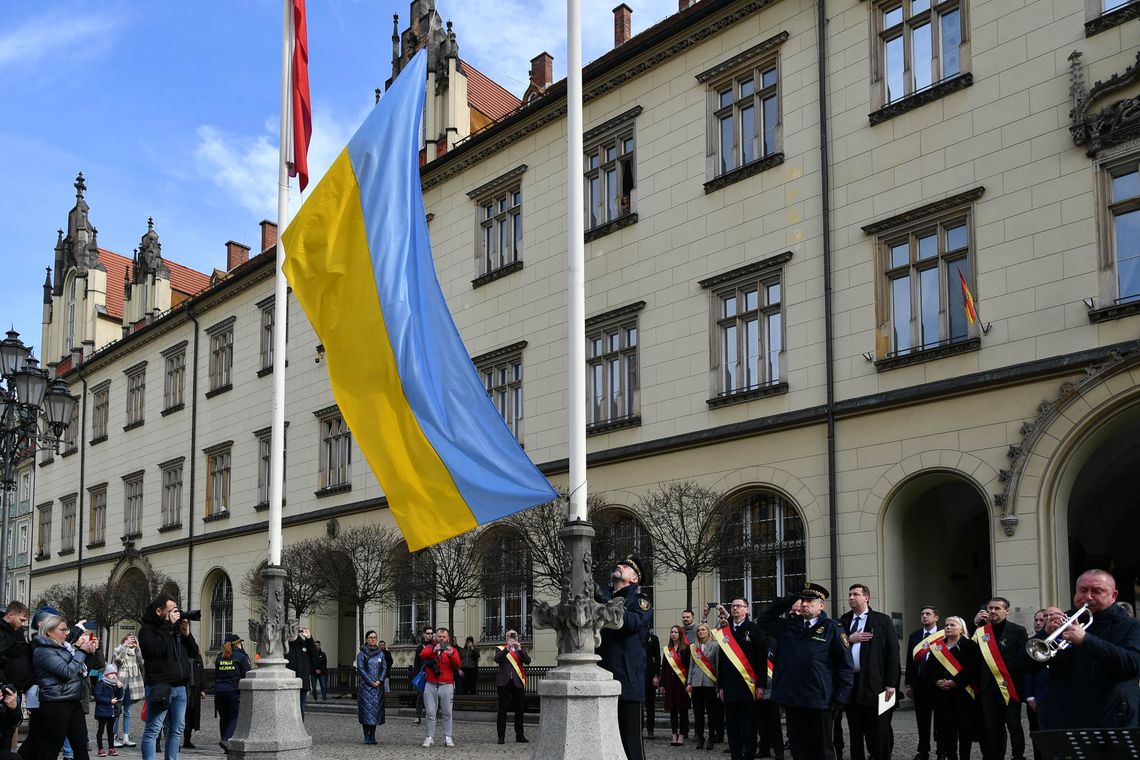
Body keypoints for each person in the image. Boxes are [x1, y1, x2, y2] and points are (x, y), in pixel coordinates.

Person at [1027, 569, 1140, 730]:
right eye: (1083, 590)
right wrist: (1044, 634)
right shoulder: (1064, 620)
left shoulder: (1131, 626)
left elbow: (1133, 665)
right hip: (1065, 719)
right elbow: (1026, 665)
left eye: (1097, 591)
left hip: (1112, 719)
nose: (1088, 596)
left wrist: (1086, 640)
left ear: (1113, 595)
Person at [758, 583, 853, 760]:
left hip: (819, 699)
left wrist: (841, 696)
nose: (804, 604)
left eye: (810, 600)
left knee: (823, 748)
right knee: (798, 747)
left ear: (821, 605)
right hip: (793, 698)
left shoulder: (832, 628)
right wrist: (787, 600)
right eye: (803, 600)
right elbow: (764, 620)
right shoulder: (788, 626)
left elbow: (845, 665)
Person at [597, 556, 653, 760]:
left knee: (631, 745)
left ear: (635, 579)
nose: (620, 566)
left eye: (627, 566)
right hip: (602, 679)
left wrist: (605, 602)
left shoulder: (640, 601)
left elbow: (632, 622)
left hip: (628, 683)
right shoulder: (603, 595)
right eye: (620, 564)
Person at [838, 584, 900, 760]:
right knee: (855, 731)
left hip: (878, 684)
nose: (851, 597)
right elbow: (834, 647)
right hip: (852, 684)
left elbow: (893, 653)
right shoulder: (843, 621)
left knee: (879, 732)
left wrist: (891, 684)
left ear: (866, 598)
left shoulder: (882, 620)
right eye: (849, 594)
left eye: (855, 594)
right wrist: (850, 639)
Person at [26, 612, 98, 760]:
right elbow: (67, 672)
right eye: (63, 630)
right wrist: (82, 651)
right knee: (52, 748)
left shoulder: (63, 648)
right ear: (49, 632)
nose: (67, 633)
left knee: (81, 745)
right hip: (55, 703)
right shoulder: (43, 651)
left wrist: (89, 653)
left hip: (72, 700)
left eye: (66, 629)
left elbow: (81, 672)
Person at [137, 593, 199, 760]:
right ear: (159, 611)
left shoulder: (176, 630)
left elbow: (194, 653)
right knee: (153, 730)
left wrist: (187, 635)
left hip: (180, 688)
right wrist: (167, 625)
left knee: (176, 730)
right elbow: (154, 649)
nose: (175, 614)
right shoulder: (147, 630)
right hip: (159, 686)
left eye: (176, 610)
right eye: (171, 610)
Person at [972, 597, 1027, 760]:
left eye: (997, 608)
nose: (993, 611)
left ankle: (1018, 756)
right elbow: (969, 652)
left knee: (1014, 725)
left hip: (1010, 686)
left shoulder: (1018, 631)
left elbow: (1023, 659)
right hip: (988, 688)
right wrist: (974, 624)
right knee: (992, 727)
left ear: (1006, 611)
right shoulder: (981, 631)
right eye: (990, 608)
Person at [715, 598, 765, 760]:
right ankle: (735, 755)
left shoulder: (755, 629)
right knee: (732, 726)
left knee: (749, 726)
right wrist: (720, 686)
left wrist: (761, 686)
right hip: (729, 686)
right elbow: (721, 661)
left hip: (749, 686)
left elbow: (761, 660)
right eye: (733, 606)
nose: (735, 609)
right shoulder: (726, 632)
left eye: (739, 606)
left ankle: (749, 755)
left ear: (747, 610)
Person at [927, 616, 982, 760]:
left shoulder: (970, 645)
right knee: (946, 730)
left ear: (961, 629)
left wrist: (955, 682)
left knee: (964, 730)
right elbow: (931, 668)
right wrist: (937, 681)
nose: (948, 627)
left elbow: (972, 668)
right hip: (942, 695)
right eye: (946, 625)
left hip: (963, 694)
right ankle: (951, 756)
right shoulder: (937, 646)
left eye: (952, 625)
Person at [905, 606, 942, 760]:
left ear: (936, 617)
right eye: (922, 614)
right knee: (922, 720)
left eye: (928, 614)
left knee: (940, 721)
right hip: (919, 684)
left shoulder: (942, 635)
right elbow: (909, 661)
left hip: (938, 685)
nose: (924, 617)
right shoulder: (915, 636)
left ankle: (942, 751)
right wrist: (908, 683)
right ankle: (923, 750)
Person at [419, 626, 461, 748]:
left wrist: (451, 654)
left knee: (447, 713)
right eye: (439, 636)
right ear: (435, 637)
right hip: (430, 684)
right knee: (430, 712)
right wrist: (433, 650)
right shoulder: (430, 647)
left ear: (448, 638)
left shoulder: (452, 650)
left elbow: (458, 663)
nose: (441, 639)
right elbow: (422, 655)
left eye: (444, 637)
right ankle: (429, 737)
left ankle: (448, 737)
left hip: (446, 684)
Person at [687, 621, 722, 751]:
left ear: (708, 631)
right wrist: (689, 682)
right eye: (699, 630)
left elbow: (717, 665)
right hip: (696, 683)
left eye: (703, 630)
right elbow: (691, 666)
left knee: (711, 712)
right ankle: (700, 737)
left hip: (710, 683)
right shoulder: (694, 647)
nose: (700, 632)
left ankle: (711, 737)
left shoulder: (715, 646)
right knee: (698, 713)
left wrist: (719, 685)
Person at [493, 629, 530, 744]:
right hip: (504, 683)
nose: (512, 637)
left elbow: (527, 661)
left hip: (517, 682)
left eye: (514, 636)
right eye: (510, 635)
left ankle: (520, 735)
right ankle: (501, 736)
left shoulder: (520, 649)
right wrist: (507, 648)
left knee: (519, 710)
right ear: (506, 637)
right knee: (502, 710)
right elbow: (497, 659)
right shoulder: (500, 648)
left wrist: (519, 649)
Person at [214, 634, 250, 746]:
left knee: (224, 718)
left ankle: (224, 741)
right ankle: (226, 740)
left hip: (219, 691)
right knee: (235, 716)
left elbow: (217, 675)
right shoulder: (241, 657)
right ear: (237, 644)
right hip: (233, 691)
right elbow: (247, 674)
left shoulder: (220, 657)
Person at [355, 630, 387, 745]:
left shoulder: (381, 653)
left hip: (377, 688)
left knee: (375, 712)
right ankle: (366, 736)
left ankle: (373, 735)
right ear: (366, 639)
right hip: (366, 688)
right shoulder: (362, 654)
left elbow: (384, 668)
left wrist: (379, 680)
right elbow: (361, 669)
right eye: (370, 637)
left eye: (374, 637)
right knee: (366, 712)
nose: (373, 639)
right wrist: (370, 681)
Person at [112, 634, 143, 748]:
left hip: (133, 683)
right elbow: (118, 661)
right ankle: (114, 736)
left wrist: (138, 648)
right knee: (117, 711)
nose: (131, 642)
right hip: (121, 681)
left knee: (128, 712)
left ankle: (126, 736)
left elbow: (140, 663)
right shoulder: (118, 649)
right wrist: (125, 647)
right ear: (124, 640)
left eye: (133, 640)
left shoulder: (135, 651)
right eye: (129, 640)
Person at [179, 620, 205, 749]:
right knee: (178, 713)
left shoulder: (195, 654)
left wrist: (188, 634)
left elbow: (201, 672)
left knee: (190, 712)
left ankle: (187, 739)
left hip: (192, 687)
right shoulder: (173, 639)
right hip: (180, 684)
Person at [94, 663, 124, 757]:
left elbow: (119, 696)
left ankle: (111, 748)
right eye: (111, 674)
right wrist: (109, 701)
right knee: (101, 730)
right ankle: (100, 749)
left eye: (115, 674)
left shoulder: (114, 684)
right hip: (102, 712)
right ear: (106, 675)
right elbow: (98, 697)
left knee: (111, 730)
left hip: (112, 712)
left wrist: (120, 688)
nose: (114, 675)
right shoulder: (101, 684)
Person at [285, 627, 313, 718]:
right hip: (288, 684)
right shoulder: (286, 645)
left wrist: (309, 638)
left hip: (302, 683)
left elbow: (314, 656)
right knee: (288, 709)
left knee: (300, 709)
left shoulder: (305, 644)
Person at [411, 625, 433, 725]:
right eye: (428, 633)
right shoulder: (420, 647)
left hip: (432, 674)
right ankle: (417, 716)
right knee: (420, 696)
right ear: (424, 634)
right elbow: (417, 663)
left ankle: (434, 716)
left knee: (433, 696)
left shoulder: (434, 645)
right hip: (423, 674)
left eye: (431, 633)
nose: (430, 635)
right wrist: (416, 676)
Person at [644, 626, 661, 740]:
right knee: (638, 706)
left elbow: (657, 658)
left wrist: (656, 675)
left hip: (650, 676)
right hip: (637, 676)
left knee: (650, 705)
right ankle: (638, 729)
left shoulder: (653, 638)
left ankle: (651, 730)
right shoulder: (635, 638)